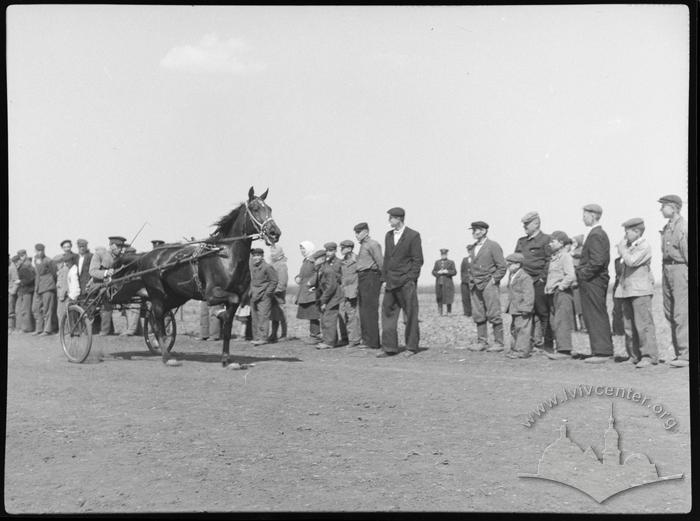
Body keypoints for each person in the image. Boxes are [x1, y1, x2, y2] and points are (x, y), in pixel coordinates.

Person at [614, 218, 659, 368]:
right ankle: (634, 356)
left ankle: (648, 356)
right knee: (629, 326)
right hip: (627, 290)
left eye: (628, 230)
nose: (625, 234)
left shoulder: (644, 246)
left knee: (643, 325)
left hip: (640, 290)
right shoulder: (629, 246)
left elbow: (632, 261)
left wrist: (622, 250)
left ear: (637, 231)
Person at [379, 207, 423, 358]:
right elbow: (386, 259)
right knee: (387, 314)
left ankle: (411, 347)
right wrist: (384, 279)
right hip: (390, 282)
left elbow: (418, 260)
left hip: (405, 282)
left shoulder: (413, 235)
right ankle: (389, 348)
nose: (389, 221)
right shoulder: (388, 235)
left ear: (399, 219)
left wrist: (411, 278)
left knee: (411, 314)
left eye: (391, 218)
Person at [574, 204, 613, 363]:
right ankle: (599, 350)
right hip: (593, 280)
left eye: (585, 214)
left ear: (593, 215)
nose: (583, 217)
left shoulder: (596, 234)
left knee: (596, 314)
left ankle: (602, 352)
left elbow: (597, 262)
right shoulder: (595, 233)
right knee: (592, 314)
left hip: (594, 281)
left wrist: (583, 274)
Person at [514, 211, 553, 351]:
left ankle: (547, 345)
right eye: (524, 224)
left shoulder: (546, 239)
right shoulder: (521, 241)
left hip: (538, 282)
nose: (524, 227)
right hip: (524, 283)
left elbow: (549, 260)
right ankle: (529, 343)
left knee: (543, 313)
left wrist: (542, 278)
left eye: (527, 224)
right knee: (526, 313)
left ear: (536, 224)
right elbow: (516, 259)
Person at [658, 194, 688, 368]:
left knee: (681, 312)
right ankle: (679, 353)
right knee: (669, 311)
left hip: (679, 268)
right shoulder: (667, 227)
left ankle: (686, 354)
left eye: (663, 206)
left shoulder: (683, 227)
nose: (661, 210)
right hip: (667, 268)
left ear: (674, 207)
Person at [466, 221, 507, 352]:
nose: (474, 232)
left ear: (484, 231)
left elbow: (502, 266)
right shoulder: (473, 247)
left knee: (494, 312)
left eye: (476, 230)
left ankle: (499, 343)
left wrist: (494, 280)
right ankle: (481, 341)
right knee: (478, 313)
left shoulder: (493, 246)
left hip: (488, 283)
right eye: (472, 230)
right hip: (475, 284)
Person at [543, 231, 576, 359]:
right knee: (555, 322)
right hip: (552, 293)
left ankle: (565, 350)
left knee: (562, 321)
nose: (550, 244)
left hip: (562, 293)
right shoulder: (555, 257)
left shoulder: (565, 257)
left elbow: (570, 275)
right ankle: (561, 348)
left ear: (561, 243)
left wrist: (561, 287)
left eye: (553, 241)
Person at [89, 236, 127, 336]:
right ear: (111, 245)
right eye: (118, 246)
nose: (120, 248)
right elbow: (92, 271)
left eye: (121, 246)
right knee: (106, 295)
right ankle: (105, 331)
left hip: (114, 286)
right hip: (97, 284)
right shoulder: (100, 254)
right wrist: (106, 272)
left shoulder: (121, 258)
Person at [354, 222, 384, 349]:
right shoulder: (363, 245)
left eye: (358, 232)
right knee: (364, 310)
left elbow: (380, 262)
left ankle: (373, 341)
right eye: (355, 232)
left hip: (371, 277)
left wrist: (383, 279)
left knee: (370, 310)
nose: (356, 235)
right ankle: (366, 340)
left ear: (366, 231)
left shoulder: (373, 244)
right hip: (363, 277)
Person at [504, 253, 535, 359]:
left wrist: (526, 308)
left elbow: (529, 294)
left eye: (510, 264)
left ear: (518, 264)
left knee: (523, 330)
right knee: (515, 329)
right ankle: (515, 349)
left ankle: (522, 351)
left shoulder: (525, 277)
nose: (507, 266)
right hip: (515, 308)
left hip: (522, 309)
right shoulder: (512, 276)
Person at [316, 243, 344, 349]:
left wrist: (324, 300)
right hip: (328, 293)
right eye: (327, 251)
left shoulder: (338, 263)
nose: (329, 253)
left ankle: (330, 342)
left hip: (335, 293)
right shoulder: (325, 264)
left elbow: (337, 281)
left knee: (329, 318)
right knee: (326, 318)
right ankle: (330, 339)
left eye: (331, 251)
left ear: (335, 251)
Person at [249, 247, 278, 346]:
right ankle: (256, 337)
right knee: (255, 317)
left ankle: (263, 338)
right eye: (254, 256)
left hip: (264, 296)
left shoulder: (267, 267)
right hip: (254, 295)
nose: (256, 258)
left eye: (258, 255)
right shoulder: (253, 267)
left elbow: (274, 281)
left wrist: (267, 293)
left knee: (263, 317)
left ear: (262, 256)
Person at [295, 241, 323, 344]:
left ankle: (315, 335)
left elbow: (318, 273)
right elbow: (302, 274)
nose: (302, 251)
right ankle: (313, 334)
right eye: (301, 249)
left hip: (311, 291)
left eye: (303, 249)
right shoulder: (306, 261)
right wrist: (297, 277)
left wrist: (312, 283)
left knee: (313, 314)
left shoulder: (313, 260)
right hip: (305, 290)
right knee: (310, 314)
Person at [338, 239, 361, 347]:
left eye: (343, 248)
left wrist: (356, 289)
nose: (341, 250)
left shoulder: (357, 260)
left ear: (350, 248)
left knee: (352, 316)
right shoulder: (342, 261)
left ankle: (354, 340)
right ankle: (345, 338)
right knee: (343, 315)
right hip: (343, 291)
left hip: (353, 291)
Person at [32, 243, 57, 336]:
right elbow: (37, 274)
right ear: (35, 251)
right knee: (36, 308)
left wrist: (50, 283)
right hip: (38, 287)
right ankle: (39, 329)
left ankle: (47, 330)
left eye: (41, 250)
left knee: (47, 309)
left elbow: (54, 273)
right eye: (37, 251)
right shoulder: (36, 260)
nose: (39, 252)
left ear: (44, 251)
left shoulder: (49, 260)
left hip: (48, 286)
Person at [268, 245, 289, 343]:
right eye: (271, 252)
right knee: (274, 315)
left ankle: (284, 334)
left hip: (278, 294)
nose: (272, 254)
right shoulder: (273, 264)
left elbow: (283, 282)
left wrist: (275, 291)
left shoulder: (281, 265)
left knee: (281, 315)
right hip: (272, 294)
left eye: (274, 252)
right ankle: (273, 334)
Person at [610, 256, 628, 361]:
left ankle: (623, 330)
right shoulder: (617, 260)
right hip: (618, 284)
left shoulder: (627, 258)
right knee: (616, 310)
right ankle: (617, 330)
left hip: (625, 284)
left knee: (624, 310)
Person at [432, 248, 457, 316]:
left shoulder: (451, 262)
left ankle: (449, 312)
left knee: (448, 297)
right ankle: (440, 312)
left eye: (445, 254)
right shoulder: (437, 262)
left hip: (448, 283)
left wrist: (447, 272)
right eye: (442, 254)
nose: (443, 256)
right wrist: (438, 272)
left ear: (447, 254)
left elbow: (454, 272)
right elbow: (433, 272)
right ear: (441, 255)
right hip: (439, 282)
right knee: (439, 297)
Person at [15, 250, 35, 333]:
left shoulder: (25, 267)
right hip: (24, 291)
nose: (21, 258)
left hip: (27, 291)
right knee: (23, 310)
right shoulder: (23, 267)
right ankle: (24, 327)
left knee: (26, 310)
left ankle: (27, 328)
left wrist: (20, 281)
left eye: (22, 256)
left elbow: (30, 279)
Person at [570, 234, 586, 332]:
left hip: (579, 283)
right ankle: (574, 327)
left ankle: (583, 326)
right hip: (574, 283)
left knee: (580, 307)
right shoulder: (573, 252)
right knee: (575, 306)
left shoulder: (581, 252)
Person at [459, 247, 473, 317]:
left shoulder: (477, 259)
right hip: (465, 281)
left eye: (471, 251)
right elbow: (462, 271)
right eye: (469, 251)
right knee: (465, 297)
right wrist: (464, 279)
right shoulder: (465, 260)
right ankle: (467, 312)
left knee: (475, 298)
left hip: (474, 281)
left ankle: (475, 312)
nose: (470, 252)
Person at [8, 254, 20, 332]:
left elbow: (16, 281)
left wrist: (12, 292)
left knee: (10, 310)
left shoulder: (12, 267)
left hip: (10, 291)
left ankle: (11, 327)